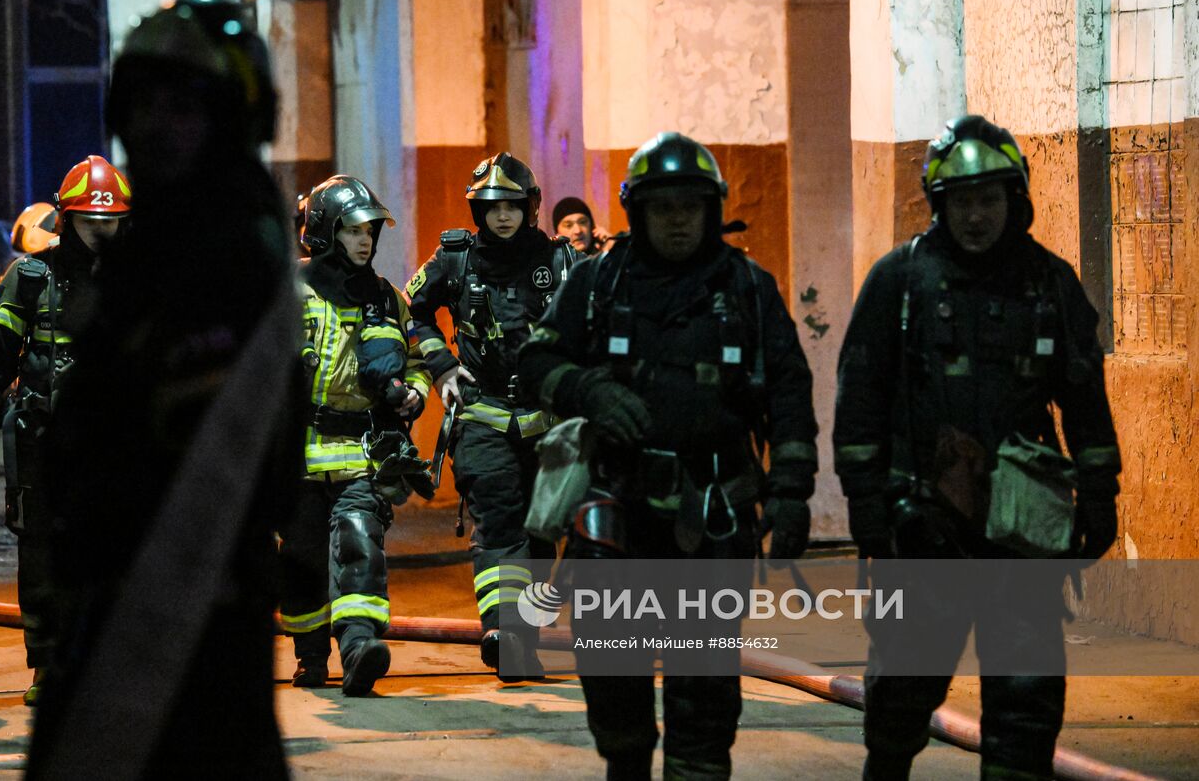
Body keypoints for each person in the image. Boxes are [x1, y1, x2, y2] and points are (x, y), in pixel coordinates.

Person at [25, 0, 298, 780]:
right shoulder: (166, 237)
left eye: (182, 106)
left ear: (232, 116)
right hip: (134, 607)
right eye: (140, 104)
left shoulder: (226, 254)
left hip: (169, 622)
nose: (153, 126)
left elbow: (180, 468)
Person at [517, 131, 818, 780]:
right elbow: (534, 359)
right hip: (616, 518)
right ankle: (625, 761)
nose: (678, 219)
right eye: (663, 206)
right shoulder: (599, 283)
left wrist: (792, 491)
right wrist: (585, 386)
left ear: (712, 210)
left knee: (704, 695)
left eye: (691, 205)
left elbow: (789, 393)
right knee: (612, 680)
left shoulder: (746, 289)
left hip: (712, 521)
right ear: (637, 212)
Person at [833, 115, 1121, 780]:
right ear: (939, 204)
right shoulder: (898, 281)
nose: (976, 216)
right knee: (903, 688)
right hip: (920, 526)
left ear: (1014, 199)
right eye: (962, 201)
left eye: (988, 199)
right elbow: (861, 399)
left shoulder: (1050, 283)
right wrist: (867, 505)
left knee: (1025, 697)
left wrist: (1100, 492)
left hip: (1021, 531)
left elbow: (1084, 400)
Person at [0, 155, 130, 706]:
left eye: (110, 221)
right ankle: (47, 666)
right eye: (90, 221)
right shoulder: (30, 277)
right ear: (66, 219)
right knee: (42, 558)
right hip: (45, 444)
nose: (100, 231)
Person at [406, 152, 576, 681]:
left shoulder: (563, 263)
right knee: (499, 521)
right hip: (481, 417)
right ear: (477, 211)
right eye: (491, 207)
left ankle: (521, 636)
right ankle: (503, 632)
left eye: (513, 206)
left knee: (542, 533)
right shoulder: (454, 259)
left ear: (531, 208)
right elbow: (409, 313)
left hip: (546, 422)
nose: (503, 216)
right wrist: (441, 367)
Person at [278, 174, 431, 696]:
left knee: (359, 541)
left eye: (370, 231)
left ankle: (360, 646)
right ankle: (311, 656)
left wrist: (414, 392)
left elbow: (415, 361)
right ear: (323, 232)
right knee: (300, 560)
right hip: (296, 454)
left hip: (360, 451)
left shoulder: (386, 298)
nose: (366, 240)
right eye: (353, 230)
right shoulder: (287, 290)